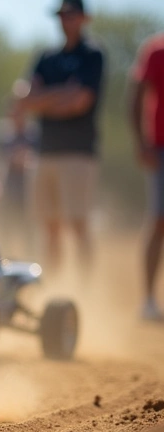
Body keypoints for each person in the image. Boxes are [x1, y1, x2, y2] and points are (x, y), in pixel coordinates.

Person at [18, 0, 105, 274]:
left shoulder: (92, 55)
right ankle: (54, 281)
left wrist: (45, 98)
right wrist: (62, 94)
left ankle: (85, 285)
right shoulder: (46, 57)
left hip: (78, 153)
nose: (66, 20)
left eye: (71, 15)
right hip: (45, 152)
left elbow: (81, 102)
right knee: (49, 227)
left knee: (78, 223)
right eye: (62, 16)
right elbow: (26, 100)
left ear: (83, 19)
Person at [131, 31, 164, 321]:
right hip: (160, 147)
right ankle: (149, 300)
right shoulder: (156, 50)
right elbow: (137, 94)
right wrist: (141, 142)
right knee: (158, 220)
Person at [0, 93, 39, 254]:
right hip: (8, 185)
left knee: (28, 227)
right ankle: (5, 256)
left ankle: (30, 257)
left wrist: (25, 160)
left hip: (28, 187)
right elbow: (0, 159)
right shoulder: (3, 132)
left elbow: (36, 159)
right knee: (5, 226)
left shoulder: (34, 134)